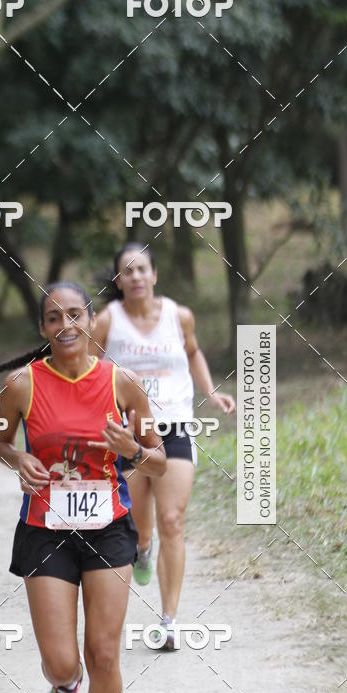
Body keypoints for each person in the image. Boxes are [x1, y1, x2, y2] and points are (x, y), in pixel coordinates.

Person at [0, 281, 166, 693]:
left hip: (108, 528)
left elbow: (158, 460)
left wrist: (132, 450)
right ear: (43, 328)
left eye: (75, 314)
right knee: (63, 661)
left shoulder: (123, 383)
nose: (66, 325)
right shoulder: (21, 386)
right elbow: (0, 441)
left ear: (91, 320)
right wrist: (19, 458)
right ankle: (64, 686)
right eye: (54, 317)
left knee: (104, 654)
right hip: (46, 531)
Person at [92, 243, 236, 649]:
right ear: (118, 280)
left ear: (154, 275)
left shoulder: (179, 316)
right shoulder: (107, 321)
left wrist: (211, 392)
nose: (136, 277)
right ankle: (142, 549)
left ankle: (169, 621)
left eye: (142, 269)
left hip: (174, 427)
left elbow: (192, 352)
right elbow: (88, 369)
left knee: (172, 519)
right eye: (127, 271)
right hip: (129, 434)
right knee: (138, 527)